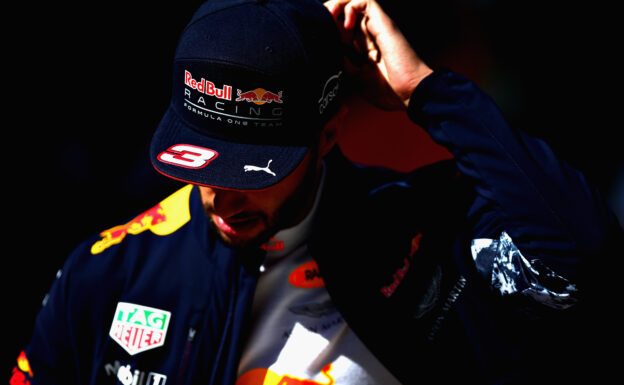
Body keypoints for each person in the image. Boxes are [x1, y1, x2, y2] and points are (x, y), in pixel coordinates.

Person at [12, 0, 622, 384]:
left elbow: (586, 258)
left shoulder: (414, 231)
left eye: (250, 171)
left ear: (327, 135)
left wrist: (430, 96)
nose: (220, 196)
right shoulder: (109, 271)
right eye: (201, 162)